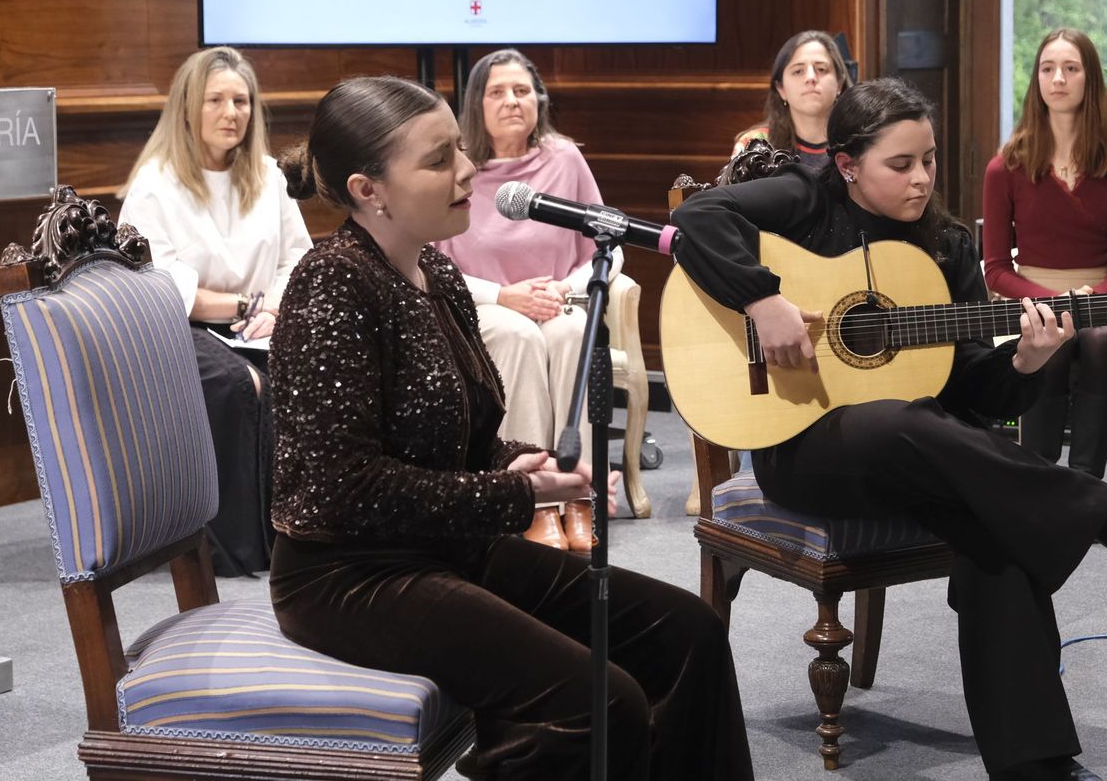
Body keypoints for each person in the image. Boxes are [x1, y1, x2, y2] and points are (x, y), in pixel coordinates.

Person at [670, 77, 1107, 781]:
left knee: (993, 525)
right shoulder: (806, 197)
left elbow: (974, 388)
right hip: (801, 443)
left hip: (920, 451)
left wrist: (1027, 361)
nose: (921, 178)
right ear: (848, 163)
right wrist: (763, 300)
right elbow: (699, 220)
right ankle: (1090, 504)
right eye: (901, 164)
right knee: (900, 422)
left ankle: (1037, 764)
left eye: (930, 161)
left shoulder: (944, 247)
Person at [268, 76, 753, 781]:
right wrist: (513, 497)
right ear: (368, 190)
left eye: (459, 151)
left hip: (446, 545)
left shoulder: (435, 269)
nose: (468, 172)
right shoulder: (332, 284)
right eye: (438, 161)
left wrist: (519, 463)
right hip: (349, 576)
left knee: (689, 635)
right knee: (600, 701)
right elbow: (344, 488)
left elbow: (457, 437)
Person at [119, 46, 310, 576]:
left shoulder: (268, 175)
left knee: (312, 367)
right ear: (187, 109)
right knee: (236, 383)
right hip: (180, 324)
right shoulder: (156, 184)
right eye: (217, 101)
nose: (232, 113)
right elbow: (164, 282)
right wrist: (243, 304)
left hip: (262, 317)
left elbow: (297, 256)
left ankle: (303, 531)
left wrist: (272, 307)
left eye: (242, 101)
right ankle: (236, 545)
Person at [433, 48, 615, 551]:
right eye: (497, 92)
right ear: (477, 104)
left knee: (574, 331)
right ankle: (530, 500)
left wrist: (566, 288)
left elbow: (606, 246)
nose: (512, 101)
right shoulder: (457, 167)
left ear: (538, 98)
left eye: (522, 90)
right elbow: (433, 265)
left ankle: (579, 495)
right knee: (516, 335)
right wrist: (504, 296)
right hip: (486, 307)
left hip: (556, 302)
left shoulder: (565, 158)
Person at [983, 28, 1107, 479]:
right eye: (1048, 68)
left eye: (1070, 69)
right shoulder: (1005, 167)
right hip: (1030, 301)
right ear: (1037, 80)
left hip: (1101, 298)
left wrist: (1093, 296)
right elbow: (996, 269)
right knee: (1050, 336)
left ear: (1089, 79)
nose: (1058, 78)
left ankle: (1086, 484)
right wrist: (1048, 302)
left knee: (1096, 336)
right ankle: (1040, 477)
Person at [730, 29, 853, 173]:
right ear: (781, 88)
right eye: (798, 71)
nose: (811, 77)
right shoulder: (755, 144)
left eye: (821, 69)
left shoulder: (862, 141)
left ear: (839, 83)